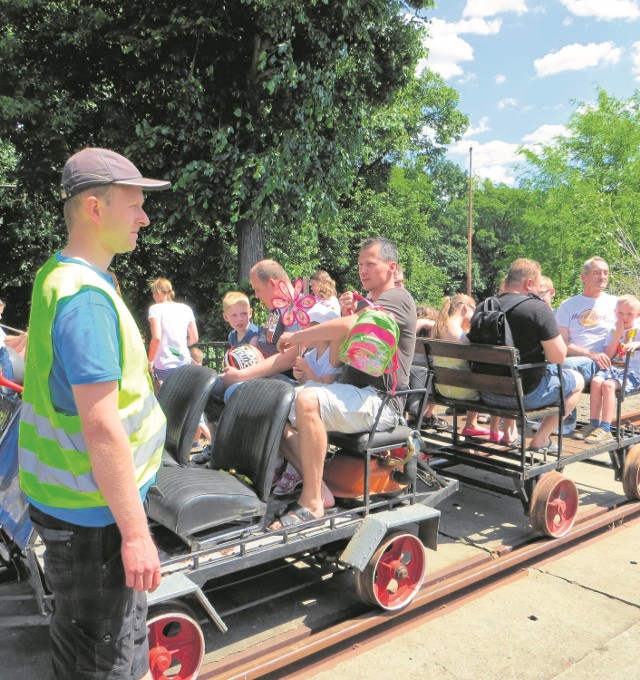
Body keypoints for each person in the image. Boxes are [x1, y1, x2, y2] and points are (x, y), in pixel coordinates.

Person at [18, 147, 170, 680]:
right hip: (94, 518)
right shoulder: (85, 299)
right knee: (103, 663)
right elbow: (102, 427)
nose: (144, 217)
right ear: (95, 208)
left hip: (71, 504)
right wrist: (135, 534)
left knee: (80, 641)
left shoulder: (57, 275)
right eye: (134, 204)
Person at [271, 236, 416, 526]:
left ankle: (311, 501)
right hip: (353, 394)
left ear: (391, 267)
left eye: (370, 264)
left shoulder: (398, 298)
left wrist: (297, 335)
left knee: (307, 399)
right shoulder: (369, 304)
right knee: (278, 408)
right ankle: (320, 489)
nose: (363, 270)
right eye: (360, 264)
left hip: (382, 402)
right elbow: (338, 362)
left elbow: (353, 326)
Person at [479, 258, 584, 454]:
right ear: (529, 283)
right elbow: (559, 357)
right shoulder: (537, 308)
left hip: (485, 394)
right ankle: (541, 439)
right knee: (576, 380)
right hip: (523, 396)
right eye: (537, 286)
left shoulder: (484, 306)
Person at [555, 257, 617, 433]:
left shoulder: (616, 303)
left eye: (605, 272)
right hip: (581, 358)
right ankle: (557, 419)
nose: (602, 276)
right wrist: (589, 354)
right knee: (554, 364)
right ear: (584, 277)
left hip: (604, 362)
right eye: (596, 272)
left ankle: (563, 422)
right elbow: (563, 343)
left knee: (563, 366)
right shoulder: (568, 305)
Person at [576, 295, 640, 443]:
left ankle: (605, 428)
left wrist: (637, 344)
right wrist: (618, 334)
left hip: (634, 372)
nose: (624, 317)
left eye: (629, 314)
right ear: (615, 312)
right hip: (615, 368)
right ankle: (593, 423)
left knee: (608, 385)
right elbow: (609, 355)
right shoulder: (612, 330)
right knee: (597, 381)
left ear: (637, 314)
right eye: (620, 313)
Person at [147, 277, 198, 382]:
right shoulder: (186, 309)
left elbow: (156, 337)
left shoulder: (155, 309)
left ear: (157, 292)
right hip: (184, 362)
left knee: (163, 397)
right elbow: (194, 338)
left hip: (164, 365)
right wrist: (178, 347)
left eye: (153, 292)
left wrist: (150, 360)